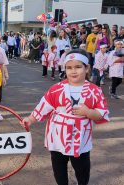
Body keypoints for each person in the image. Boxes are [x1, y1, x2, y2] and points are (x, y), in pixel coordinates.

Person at [20, 49, 109, 185]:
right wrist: (30, 119)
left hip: (81, 139)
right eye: (69, 68)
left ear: (87, 68)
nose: (73, 71)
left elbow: (101, 113)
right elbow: (44, 106)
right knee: (58, 165)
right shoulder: (56, 89)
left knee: (82, 167)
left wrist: (88, 112)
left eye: (78, 67)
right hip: (57, 136)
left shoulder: (95, 91)